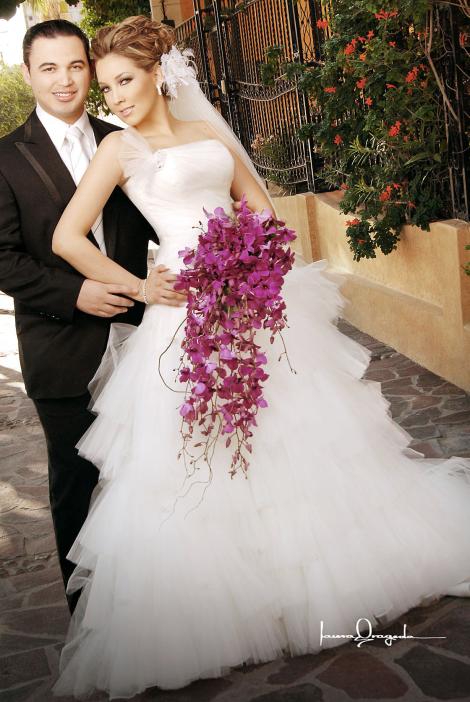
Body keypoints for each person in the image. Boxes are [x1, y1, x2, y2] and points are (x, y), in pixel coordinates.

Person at [50, 15, 470, 699]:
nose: (116, 98)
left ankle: (328, 576)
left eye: (125, 80)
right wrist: (138, 285)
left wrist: (256, 267)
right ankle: (229, 606)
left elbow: (264, 215)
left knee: (293, 435)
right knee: (199, 456)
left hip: (251, 305)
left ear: (158, 72)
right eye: (107, 88)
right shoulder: (119, 151)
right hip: (184, 316)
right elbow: (70, 237)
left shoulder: (211, 134)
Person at [0, 19, 184, 614]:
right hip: (59, 343)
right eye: (49, 68)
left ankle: (159, 607)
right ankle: (92, 625)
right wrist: (74, 293)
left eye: (76, 66)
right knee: (76, 484)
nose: (64, 80)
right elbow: (3, 257)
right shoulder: (4, 157)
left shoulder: (126, 139)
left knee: (150, 476)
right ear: (28, 74)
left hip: (143, 335)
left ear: (92, 71)